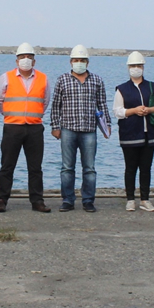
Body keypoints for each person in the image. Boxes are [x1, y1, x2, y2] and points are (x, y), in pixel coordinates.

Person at [51, 44, 111, 213]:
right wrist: (55, 127)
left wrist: (107, 125)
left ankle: (88, 200)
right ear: (71, 62)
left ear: (87, 62)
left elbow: (102, 104)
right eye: (76, 60)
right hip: (67, 129)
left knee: (89, 168)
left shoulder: (97, 80)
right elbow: (56, 106)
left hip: (89, 130)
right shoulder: (62, 80)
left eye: (82, 60)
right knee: (67, 168)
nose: (79, 63)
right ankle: (67, 200)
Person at [0, 43, 51, 213]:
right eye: (22, 57)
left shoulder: (43, 78)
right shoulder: (6, 77)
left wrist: (34, 115)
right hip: (12, 127)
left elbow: (45, 101)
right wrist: (9, 115)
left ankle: (37, 201)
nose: (26, 60)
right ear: (17, 60)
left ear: (34, 61)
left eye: (29, 57)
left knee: (35, 167)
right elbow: (0, 100)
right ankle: (1, 199)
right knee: (7, 165)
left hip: (35, 128)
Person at [113, 51, 154, 212]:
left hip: (149, 135)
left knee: (146, 168)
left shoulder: (153, 87)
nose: (136, 68)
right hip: (129, 134)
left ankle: (145, 199)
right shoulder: (122, 89)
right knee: (130, 168)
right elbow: (117, 111)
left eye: (138, 65)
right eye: (133, 66)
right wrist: (134, 111)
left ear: (143, 67)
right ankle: (130, 199)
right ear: (128, 68)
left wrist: (150, 109)